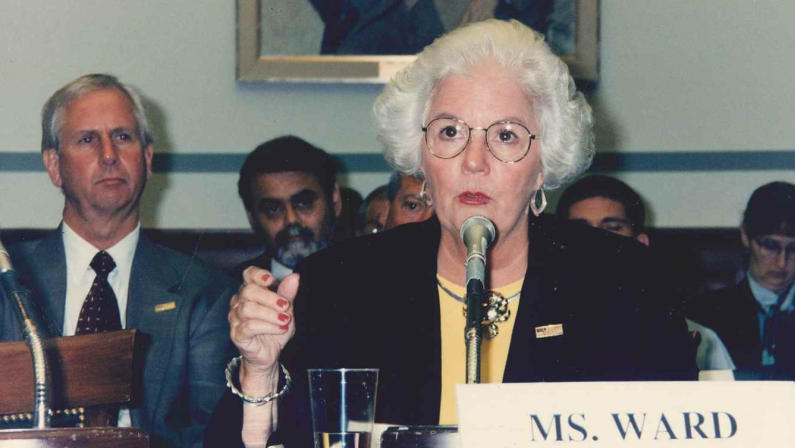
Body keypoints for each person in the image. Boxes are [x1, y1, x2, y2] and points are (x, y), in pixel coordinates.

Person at [207, 20, 695, 448]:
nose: (473, 161)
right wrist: (260, 369)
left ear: (543, 165)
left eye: (505, 135)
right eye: (449, 132)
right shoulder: (338, 284)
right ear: (420, 157)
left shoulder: (627, 285)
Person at [0, 74, 236, 448]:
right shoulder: (7, 278)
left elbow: (210, 435)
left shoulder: (203, 293)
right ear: (54, 165)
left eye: (123, 137)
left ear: (146, 158)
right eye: (87, 139)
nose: (109, 155)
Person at [557, 174, 735, 371]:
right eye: (580, 231)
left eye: (612, 229)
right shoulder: (534, 328)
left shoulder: (700, 340)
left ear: (640, 244)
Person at [686, 181, 795, 372]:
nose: (782, 263)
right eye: (769, 246)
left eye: (794, 248)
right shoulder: (705, 314)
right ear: (745, 235)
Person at [235, 136, 342, 282]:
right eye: (273, 209)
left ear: (335, 201)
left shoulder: (373, 280)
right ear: (251, 217)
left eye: (304, 203)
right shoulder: (227, 292)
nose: (291, 220)